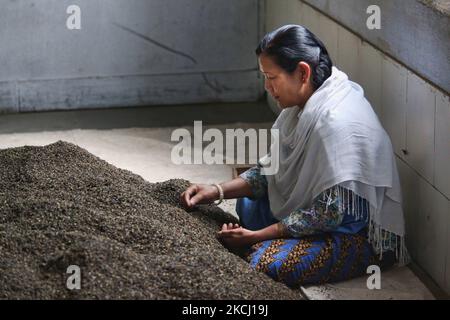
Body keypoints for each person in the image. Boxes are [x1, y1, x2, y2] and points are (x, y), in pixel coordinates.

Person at [180, 25, 409, 285]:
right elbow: (271, 170)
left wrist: (256, 237)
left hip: (355, 235)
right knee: (248, 204)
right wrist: (215, 191)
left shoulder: (334, 122)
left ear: (302, 72)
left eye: (272, 77)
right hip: (321, 217)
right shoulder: (304, 106)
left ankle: (260, 242)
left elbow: (328, 214)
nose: (267, 86)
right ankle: (263, 237)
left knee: (266, 262)